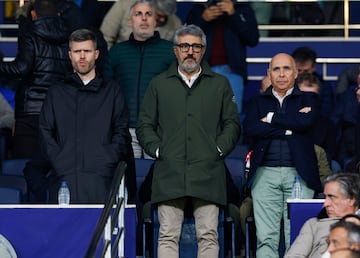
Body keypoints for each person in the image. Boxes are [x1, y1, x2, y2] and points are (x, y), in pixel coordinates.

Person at [136, 24, 240, 257]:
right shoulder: (159, 84)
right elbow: (144, 125)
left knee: (208, 236)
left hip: (208, 172)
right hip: (169, 171)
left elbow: (232, 124)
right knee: (167, 235)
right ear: (175, 50)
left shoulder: (219, 83)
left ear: (203, 50)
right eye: (184, 46)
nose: (189, 51)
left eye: (195, 46)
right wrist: (159, 150)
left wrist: (217, 149)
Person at [38, 28, 131, 203]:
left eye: (87, 51)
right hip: (64, 180)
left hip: (101, 180)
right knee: (65, 231)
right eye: (77, 51)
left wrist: (106, 160)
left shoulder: (112, 90)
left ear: (96, 54)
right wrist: (60, 161)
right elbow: (45, 132)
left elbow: (121, 131)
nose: (82, 56)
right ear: (69, 55)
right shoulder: (56, 92)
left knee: (101, 230)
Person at [244, 53, 323, 257]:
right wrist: (289, 127)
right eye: (276, 69)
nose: (281, 74)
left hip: (299, 175)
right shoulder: (256, 101)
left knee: (298, 238)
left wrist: (270, 118)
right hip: (264, 175)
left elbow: (305, 123)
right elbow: (252, 129)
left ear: (296, 73)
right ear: (269, 73)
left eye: (286, 69)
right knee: (265, 238)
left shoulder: (310, 98)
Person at [103, 0, 175, 159]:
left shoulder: (170, 52)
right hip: (126, 130)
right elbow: (106, 92)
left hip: (158, 130)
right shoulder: (116, 53)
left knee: (156, 180)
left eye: (149, 14)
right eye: (138, 14)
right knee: (129, 179)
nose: (144, 18)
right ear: (130, 21)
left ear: (155, 20)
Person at [0, 0, 72, 158]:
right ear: (58, 15)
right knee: (52, 168)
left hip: (30, 112)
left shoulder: (30, 34)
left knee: (25, 168)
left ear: (33, 14)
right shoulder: (69, 39)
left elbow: (21, 68)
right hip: (57, 112)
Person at [186, 0, 259, 117]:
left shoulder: (242, 8)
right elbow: (185, 40)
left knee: (232, 119)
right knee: (201, 118)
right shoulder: (199, 8)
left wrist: (233, 14)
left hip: (232, 72)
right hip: (202, 72)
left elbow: (252, 38)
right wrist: (202, 19)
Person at [285, 173, 360, 258]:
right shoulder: (314, 224)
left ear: (351, 200)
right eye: (325, 197)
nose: (325, 204)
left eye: (332, 197)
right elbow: (293, 256)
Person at [100, 0, 182, 49]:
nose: (163, 19)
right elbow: (105, 38)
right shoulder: (123, 6)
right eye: (159, 15)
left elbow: (177, 51)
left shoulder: (176, 23)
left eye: (166, 16)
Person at [292, 46, 335, 118]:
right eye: (299, 70)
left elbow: (326, 111)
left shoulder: (324, 86)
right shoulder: (285, 84)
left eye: (306, 71)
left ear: (313, 67)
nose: (302, 74)